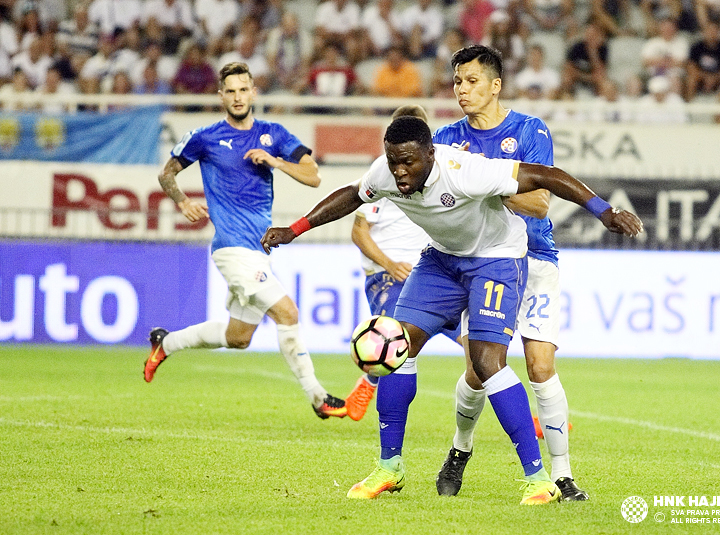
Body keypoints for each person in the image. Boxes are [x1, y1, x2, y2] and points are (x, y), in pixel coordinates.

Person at [261, 116, 642, 505]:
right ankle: (389, 468)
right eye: (393, 161)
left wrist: (604, 211)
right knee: (397, 345)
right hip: (442, 261)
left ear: (431, 154)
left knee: (486, 362)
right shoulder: (387, 173)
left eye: (408, 161)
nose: (399, 171)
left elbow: (546, 175)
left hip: (495, 259)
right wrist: (294, 230)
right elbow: (351, 194)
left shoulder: (465, 171)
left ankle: (538, 478)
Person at [144, 62, 348, 421]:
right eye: (231, 90)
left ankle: (167, 343)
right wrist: (183, 201)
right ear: (221, 95)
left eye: (243, 89)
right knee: (288, 312)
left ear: (253, 92)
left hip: (259, 251)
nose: (237, 97)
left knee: (238, 337)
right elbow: (167, 173)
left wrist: (275, 161)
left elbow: (313, 176)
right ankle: (318, 397)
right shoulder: (205, 137)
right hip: (231, 249)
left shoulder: (274, 134)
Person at [430, 43, 589, 502]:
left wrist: (479, 185)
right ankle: (460, 450)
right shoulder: (444, 139)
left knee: (541, 365)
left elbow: (539, 202)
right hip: (479, 262)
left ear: (495, 85)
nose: (462, 89)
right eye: (458, 81)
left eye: (472, 81)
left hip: (535, 258)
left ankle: (561, 474)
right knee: (480, 371)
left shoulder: (529, 130)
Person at [345, 104, 460, 422]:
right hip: (389, 275)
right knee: (396, 342)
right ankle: (371, 385)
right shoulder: (380, 175)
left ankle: (521, 411)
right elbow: (359, 232)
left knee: (481, 344)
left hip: (432, 273)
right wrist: (390, 263)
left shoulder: (438, 172)